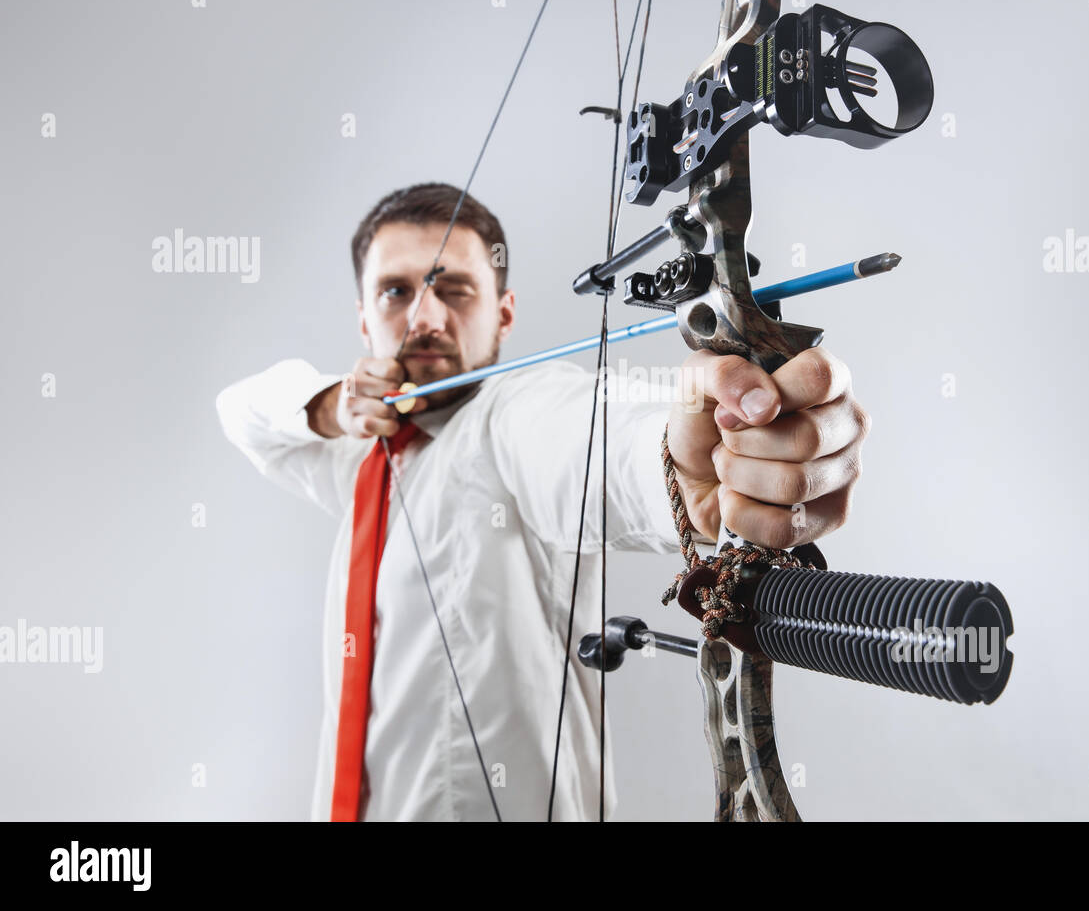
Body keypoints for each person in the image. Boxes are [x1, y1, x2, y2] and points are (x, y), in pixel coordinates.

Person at [215, 182, 869, 821]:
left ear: (503, 311)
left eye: (454, 288)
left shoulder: (512, 419)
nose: (426, 317)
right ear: (363, 318)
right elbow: (241, 410)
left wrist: (693, 459)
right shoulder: (361, 457)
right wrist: (330, 404)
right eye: (396, 292)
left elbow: (593, 445)